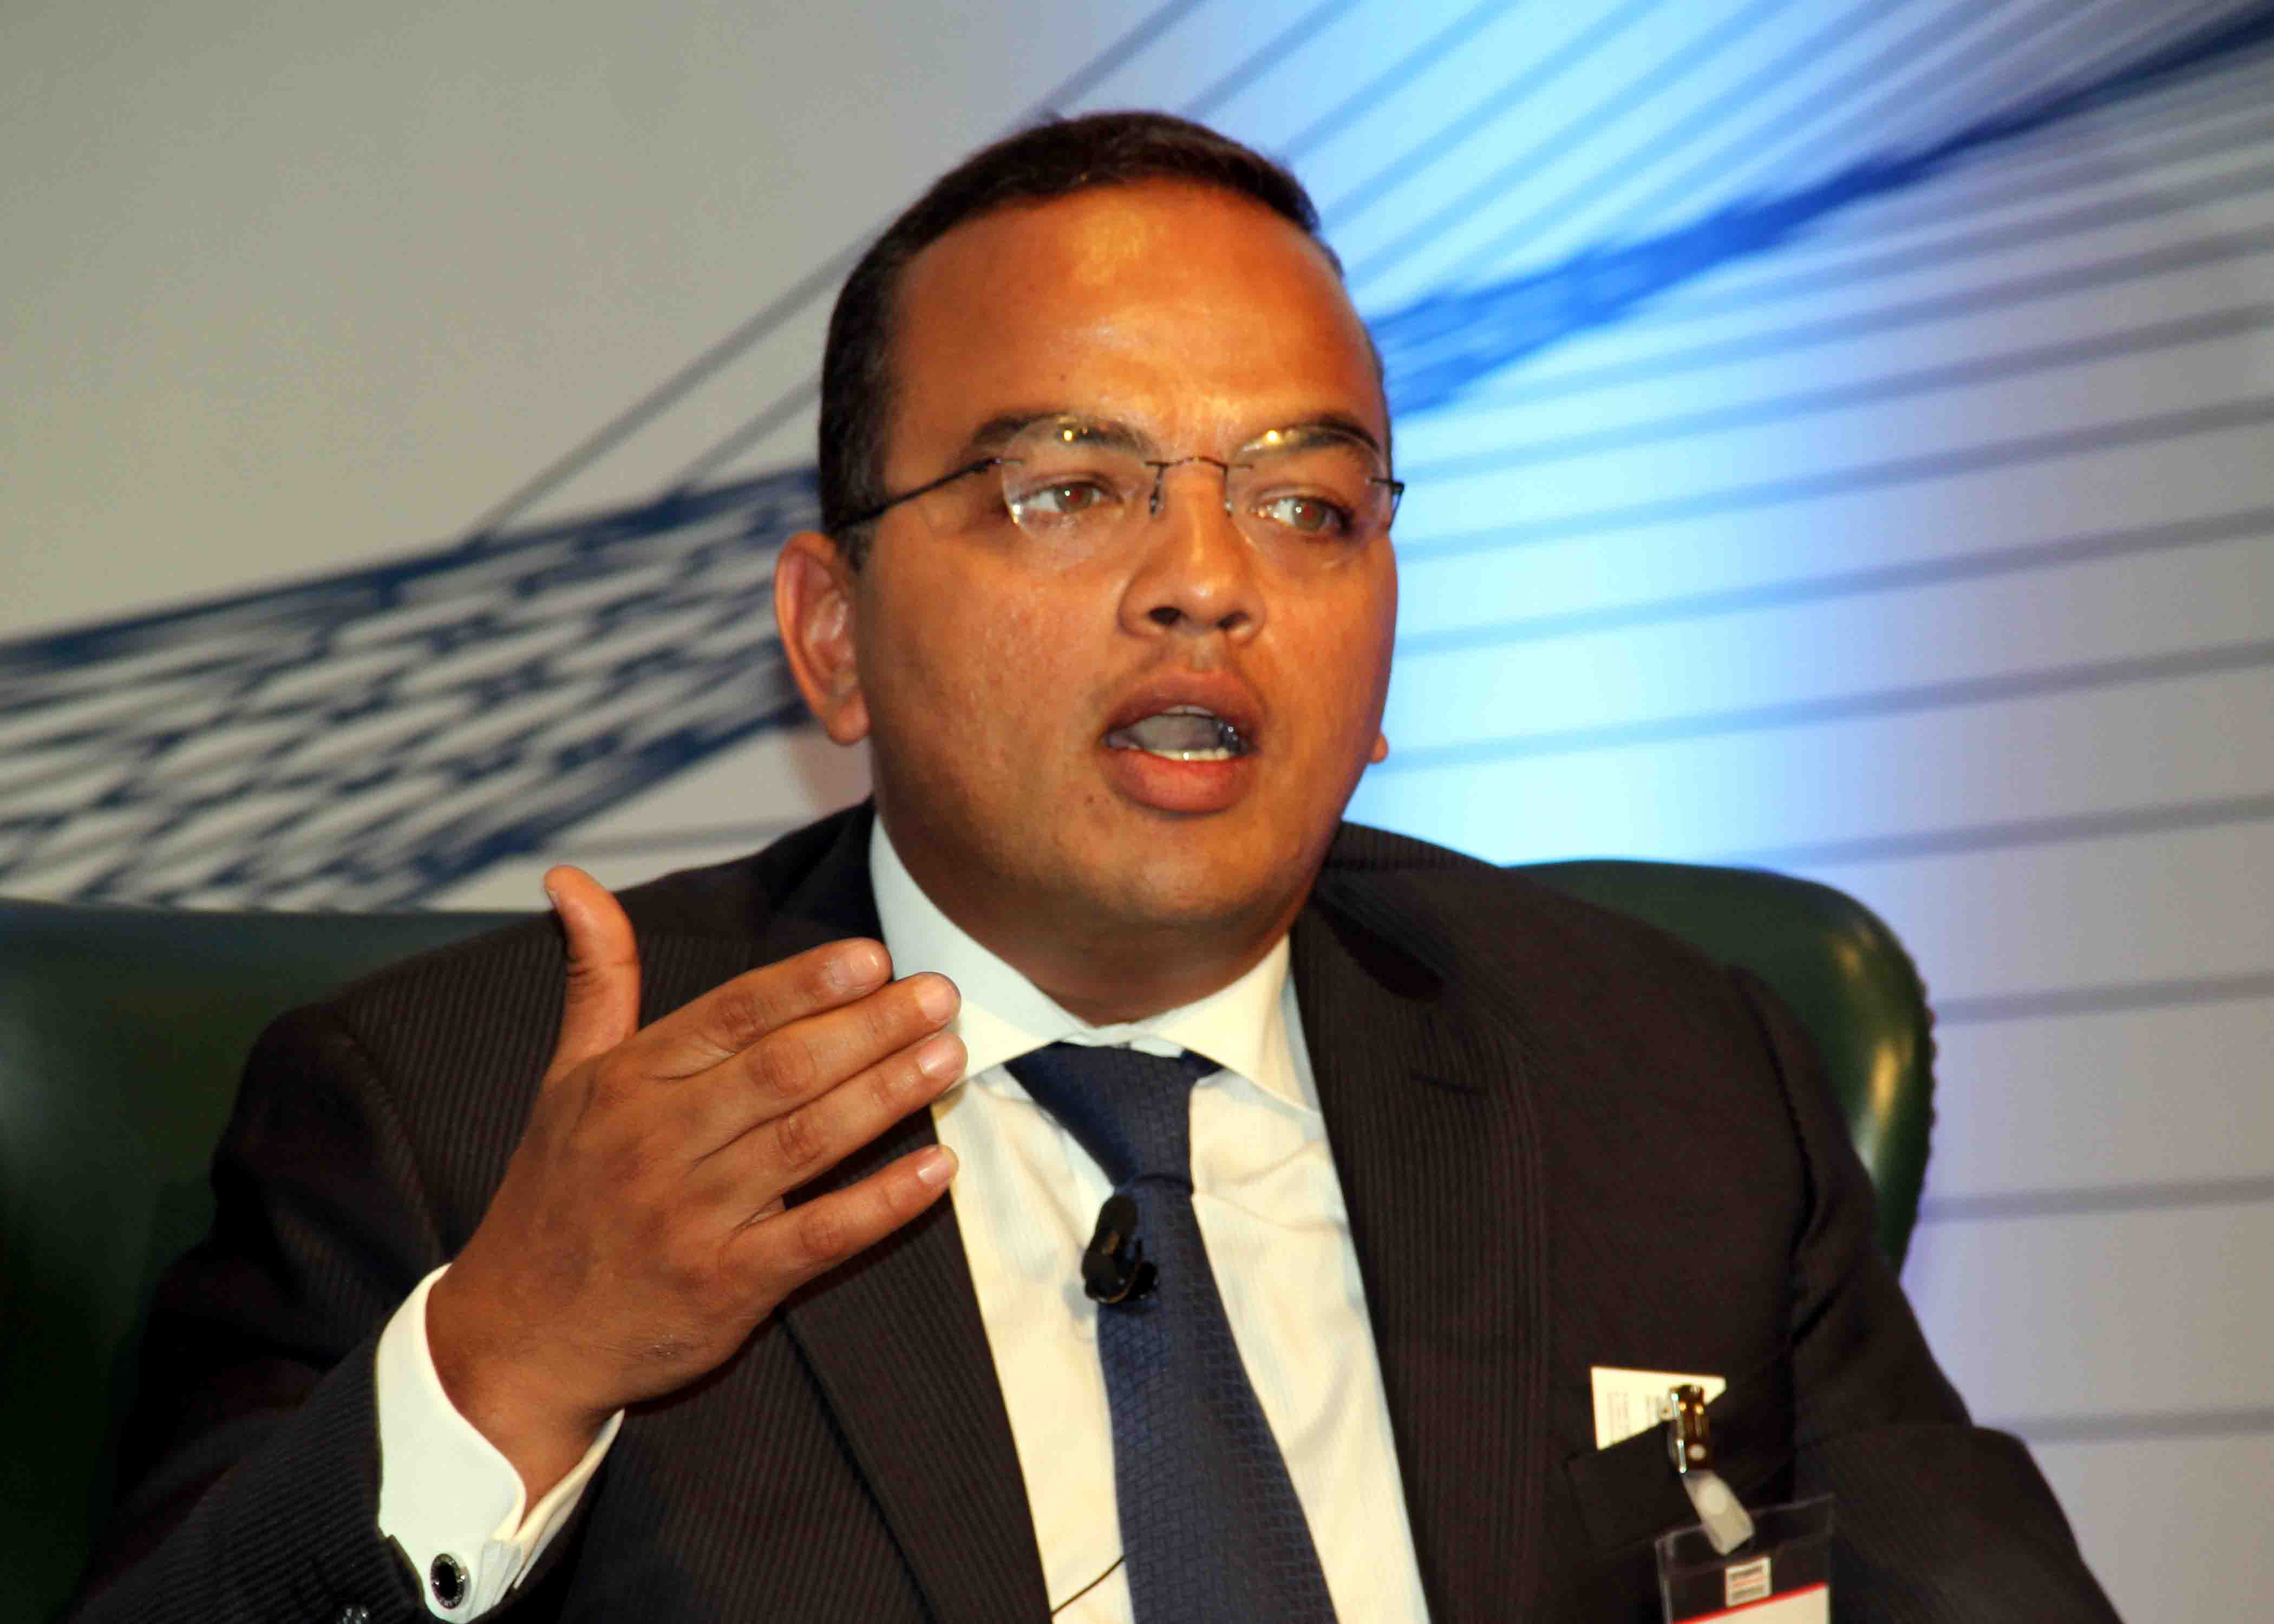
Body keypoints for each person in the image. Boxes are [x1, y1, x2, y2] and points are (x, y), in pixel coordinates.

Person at [69, 112, 2120, 1623]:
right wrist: (511, 1360)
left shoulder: (1663, 1078)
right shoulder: (466, 1121)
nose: (1210, 581)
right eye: (1070, 489)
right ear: (831, 635)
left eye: (1310, 508)